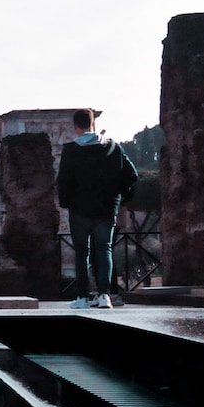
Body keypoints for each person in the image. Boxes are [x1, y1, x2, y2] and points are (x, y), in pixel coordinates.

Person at [56, 108, 137, 309]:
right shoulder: (112, 147)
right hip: (106, 209)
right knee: (104, 250)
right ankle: (104, 296)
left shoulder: (71, 150)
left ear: (75, 126)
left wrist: (66, 203)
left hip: (79, 210)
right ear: (94, 124)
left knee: (81, 253)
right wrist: (117, 196)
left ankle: (82, 298)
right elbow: (132, 175)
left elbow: (63, 181)